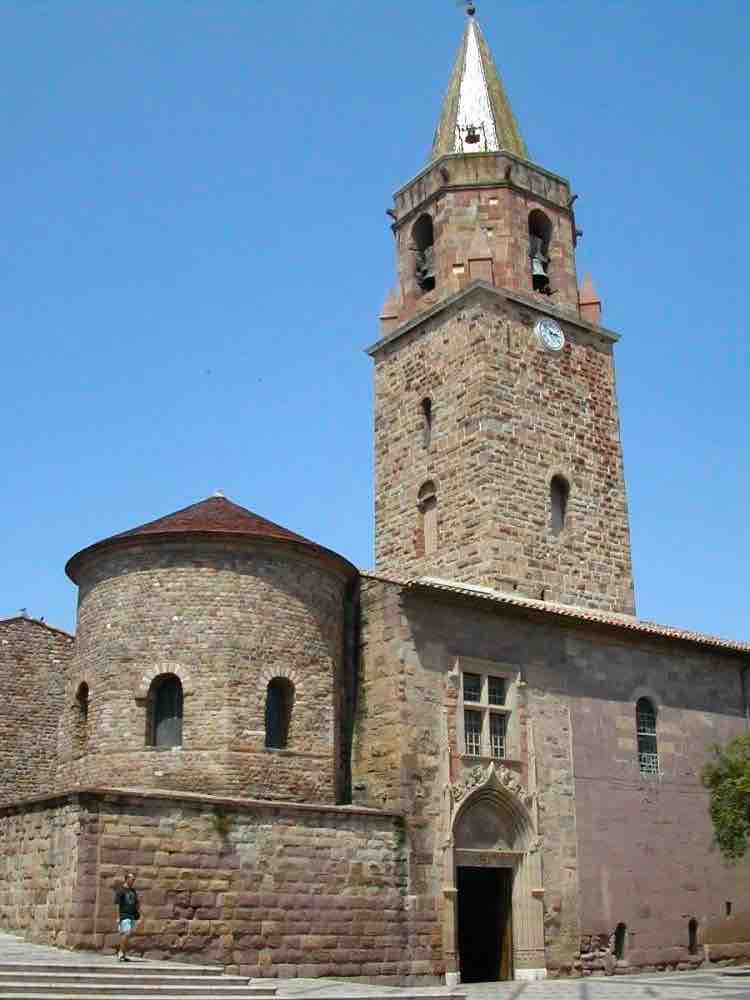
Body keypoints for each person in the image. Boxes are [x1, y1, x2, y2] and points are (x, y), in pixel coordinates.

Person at [114, 871, 140, 961]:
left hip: (132, 915)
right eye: (132, 879)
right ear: (127, 879)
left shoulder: (133, 891)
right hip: (124, 915)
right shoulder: (121, 890)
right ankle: (120, 952)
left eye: (134, 879)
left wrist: (138, 913)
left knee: (127, 935)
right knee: (126, 933)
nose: (133, 881)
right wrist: (118, 917)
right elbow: (117, 904)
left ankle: (123, 954)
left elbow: (136, 902)